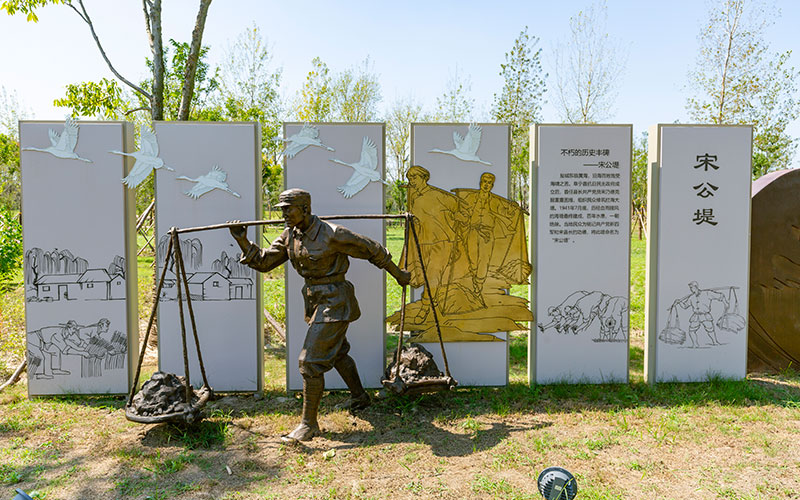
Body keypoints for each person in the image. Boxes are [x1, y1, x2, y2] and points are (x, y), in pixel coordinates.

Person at [229, 188, 410, 442]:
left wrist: (398, 274)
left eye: (288, 209)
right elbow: (264, 262)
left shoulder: (332, 234)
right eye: (281, 210)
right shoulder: (290, 235)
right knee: (337, 352)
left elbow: (372, 249)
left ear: (305, 208)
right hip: (315, 301)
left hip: (336, 302)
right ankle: (360, 397)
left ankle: (309, 424)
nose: (283, 214)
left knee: (310, 362)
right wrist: (242, 240)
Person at [675, 281, 729, 348]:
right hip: (696, 316)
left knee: (710, 330)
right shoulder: (691, 297)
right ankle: (695, 344)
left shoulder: (707, 293)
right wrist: (679, 302)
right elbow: (685, 306)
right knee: (691, 331)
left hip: (705, 315)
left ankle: (715, 342)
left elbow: (721, 296)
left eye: (691, 287)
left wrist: (725, 303)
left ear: (696, 287)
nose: (691, 289)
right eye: (690, 288)